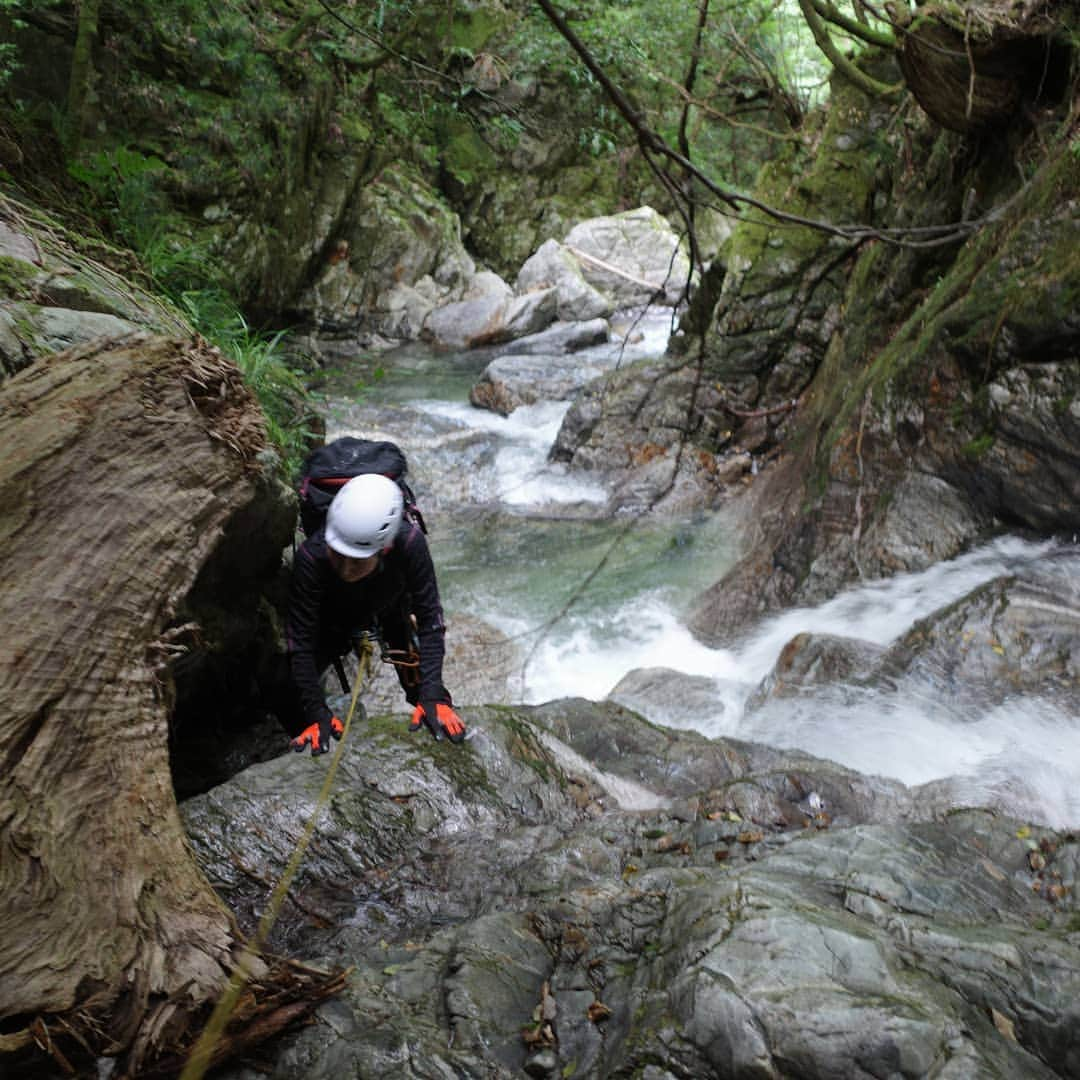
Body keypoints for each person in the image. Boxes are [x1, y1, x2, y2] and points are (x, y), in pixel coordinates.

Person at [284, 472, 466, 755]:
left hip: (391, 605)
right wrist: (315, 712)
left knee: (425, 692)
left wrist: (432, 694)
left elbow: (430, 621)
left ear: (385, 548)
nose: (345, 569)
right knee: (289, 690)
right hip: (332, 613)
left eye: (356, 562)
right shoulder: (312, 556)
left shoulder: (409, 545)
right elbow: (300, 643)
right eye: (338, 555)